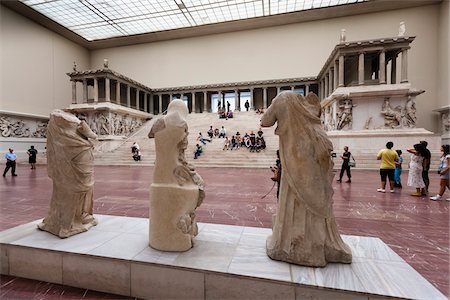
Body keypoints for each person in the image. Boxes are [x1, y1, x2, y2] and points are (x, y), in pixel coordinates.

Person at [261, 91, 351, 266]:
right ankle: (321, 245)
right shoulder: (306, 109)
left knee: (296, 197)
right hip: (313, 158)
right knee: (316, 197)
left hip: (295, 160)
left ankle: (295, 246)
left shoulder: (282, 99)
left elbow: (266, 121)